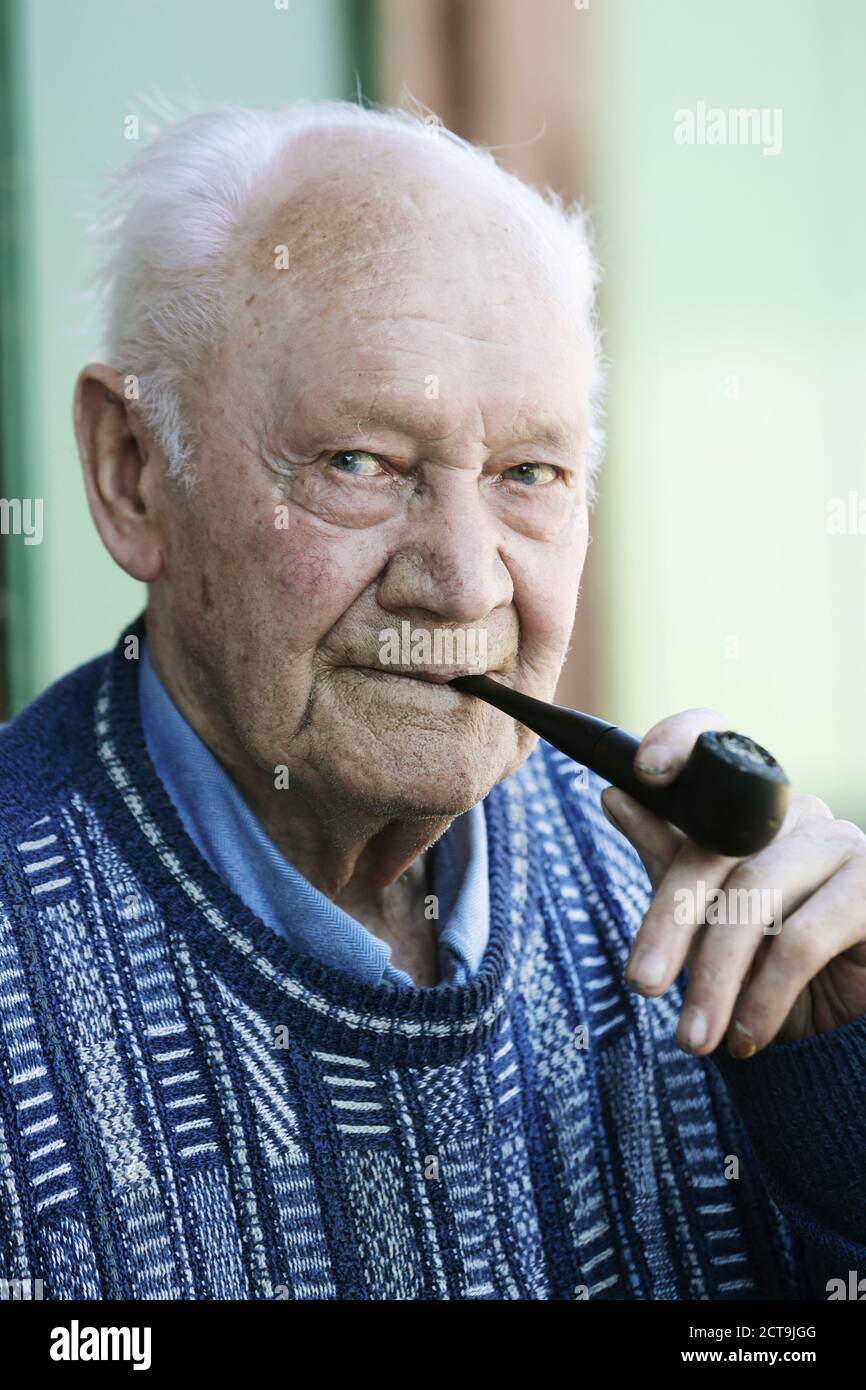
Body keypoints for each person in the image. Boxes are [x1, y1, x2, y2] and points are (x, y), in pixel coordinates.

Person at [0, 100, 863, 1300]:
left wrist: (836, 1096)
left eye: (528, 475)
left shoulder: (711, 922)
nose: (462, 579)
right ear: (133, 473)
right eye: (359, 461)